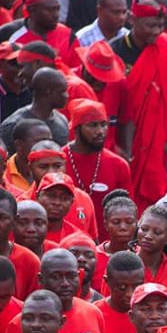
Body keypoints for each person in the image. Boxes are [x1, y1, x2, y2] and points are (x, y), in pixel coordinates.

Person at [114, 0, 167, 209]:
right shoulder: (115, 51)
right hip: (122, 136)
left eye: (160, 26)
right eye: (150, 25)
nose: (156, 31)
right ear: (133, 20)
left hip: (157, 137)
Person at [2, 249, 105, 333]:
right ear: (41, 279)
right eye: (56, 277)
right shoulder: (22, 323)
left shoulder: (93, 313)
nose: (65, 283)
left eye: (71, 276)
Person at [61, 99, 131, 238]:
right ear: (76, 128)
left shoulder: (119, 165)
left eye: (104, 125)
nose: (100, 131)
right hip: (65, 244)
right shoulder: (58, 161)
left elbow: (128, 210)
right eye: (93, 125)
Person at [0, 67, 69, 152]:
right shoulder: (13, 124)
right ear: (49, 92)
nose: (67, 96)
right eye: (63, 91)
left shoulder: (62, 120)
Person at [95, 251, 145, 333]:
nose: (129, 294)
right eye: (122, 287)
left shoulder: (150, 315)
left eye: (136, 286)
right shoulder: (94, 314)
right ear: (107, 281)